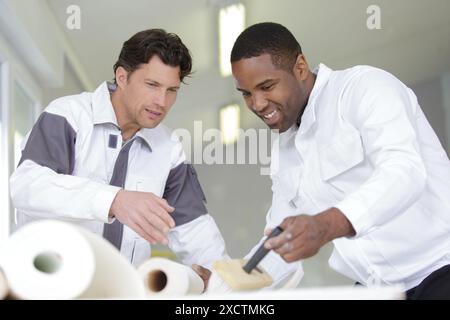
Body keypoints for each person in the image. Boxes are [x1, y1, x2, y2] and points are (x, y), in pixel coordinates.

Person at [227, 22, 450, 299]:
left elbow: (404, 172)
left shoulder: (363, 88)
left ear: (299, 66)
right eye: (247, 94)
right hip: (377, 288)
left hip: (440, 270)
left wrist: (326, 225)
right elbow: (278, 241)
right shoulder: (284, 150)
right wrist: (218, 285)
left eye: (267, 86)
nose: (257, 104)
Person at [9, 29, 227, 275]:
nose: (162, 102)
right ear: (122, 77)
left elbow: (194, 228)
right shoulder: (69, 115)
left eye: (171, 90)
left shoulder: (169, 148)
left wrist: (220, 275)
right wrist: (113, 200)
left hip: (123, 288)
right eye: (152, 85)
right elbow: (28, 186)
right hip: (51, 284)